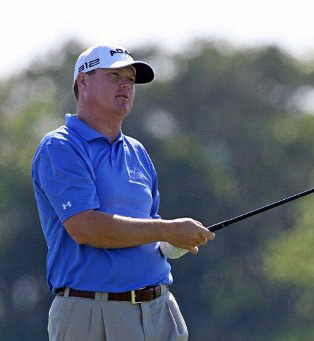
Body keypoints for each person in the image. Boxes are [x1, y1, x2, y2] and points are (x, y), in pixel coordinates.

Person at [31, 44, 215, 341]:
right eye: (115, 76)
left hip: (159, 309)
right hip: (92, 313)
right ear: (83, 82)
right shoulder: (61, 147)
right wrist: (167, 229)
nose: (126, 85)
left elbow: (147, 227)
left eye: (130, 79)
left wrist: (172, 242)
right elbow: (86, 228)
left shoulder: (137, 152)